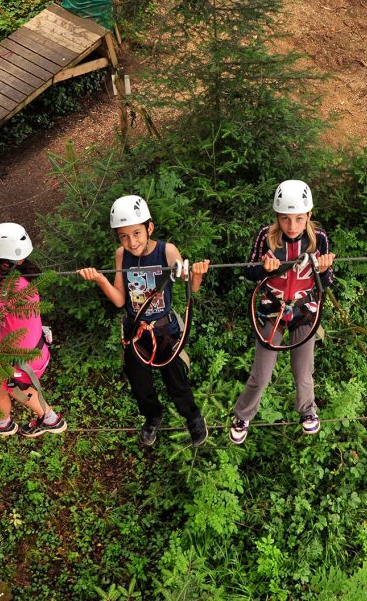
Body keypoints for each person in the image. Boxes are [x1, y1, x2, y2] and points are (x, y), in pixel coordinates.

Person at [77, 196, 210, 447]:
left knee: (177, 381)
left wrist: (197, 276)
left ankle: (193, 419)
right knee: (140, 385)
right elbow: (119, 300)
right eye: (123, 236)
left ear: (150, 227)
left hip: (165, 330)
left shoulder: (166, 251)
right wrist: (100, 280)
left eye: (136, 233)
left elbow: (189, 286)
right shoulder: (121, 255)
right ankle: (152, 417)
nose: (131, 242)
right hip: (136, 333)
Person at [229, 180, 335, 444]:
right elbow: (249, 270)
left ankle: (307, 411)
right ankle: (242, 415)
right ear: (277, 217)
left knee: (303, 373)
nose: (292, 226)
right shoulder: (267, 236)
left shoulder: (318, 238)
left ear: (309, 215)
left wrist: (323, 270)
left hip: (304, 309)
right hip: (272, 309)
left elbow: (328, 281)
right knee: (261, 374)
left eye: (299, 218)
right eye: (285, 219)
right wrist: (266, 268)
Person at [0, 222, 67, 437]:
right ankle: (49, 419)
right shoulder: (18, 276)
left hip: (19, 356)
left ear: (5, 262)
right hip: (29, 350)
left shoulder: (14, 287)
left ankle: (2, 423)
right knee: (17, 389)